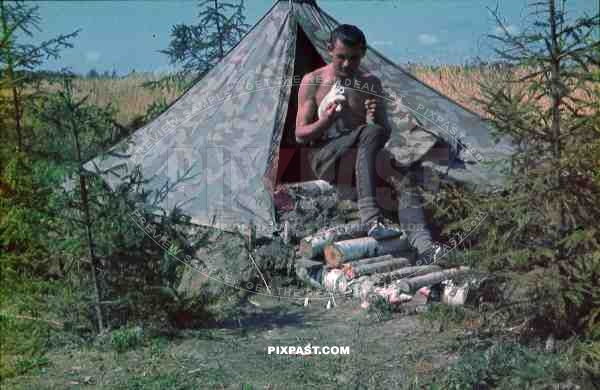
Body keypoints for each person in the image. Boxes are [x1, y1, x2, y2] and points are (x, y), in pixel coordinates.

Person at [294, 24, 438, 265]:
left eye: (354, 58)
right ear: (330, 50)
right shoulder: (314, 81)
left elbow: (382, 131)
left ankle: (425, 248)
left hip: (360, 159)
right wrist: (326, 120)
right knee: (369, 133)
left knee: (402, 177)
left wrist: (377, 115)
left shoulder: (370, 82)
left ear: (363, 54)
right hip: (326, 157)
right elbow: (300, 134)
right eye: (341, 57)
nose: (347, 64)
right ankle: (371, 218)